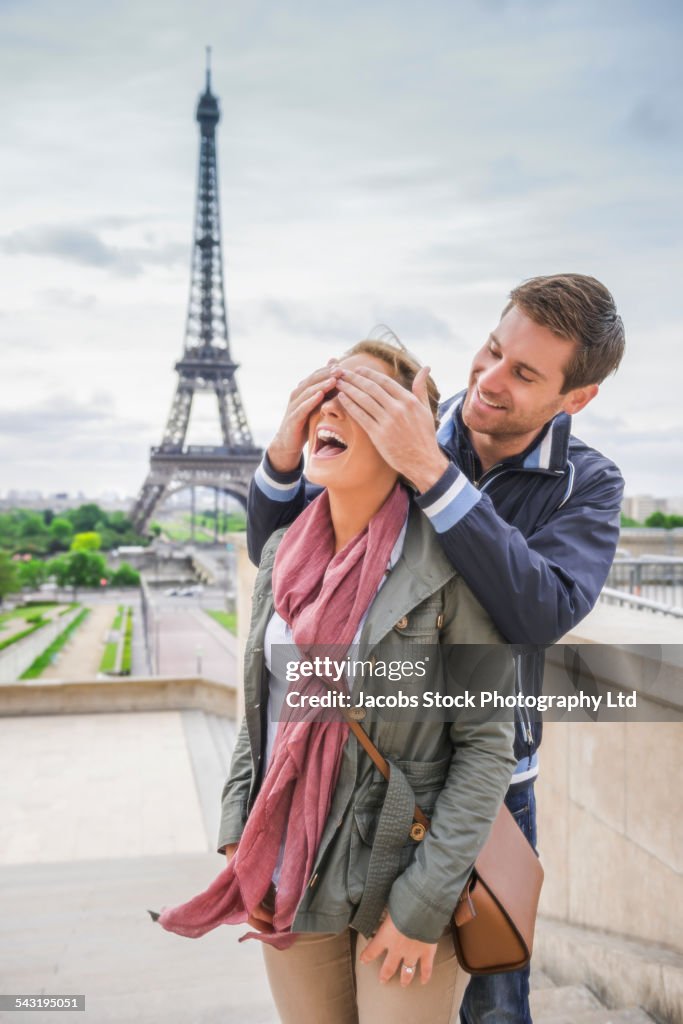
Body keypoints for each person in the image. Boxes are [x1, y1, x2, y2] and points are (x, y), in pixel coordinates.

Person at [247, 274, 626, 1024]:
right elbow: (285, 563)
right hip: (357, 767)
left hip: (484, 784)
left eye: (523, 374)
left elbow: (537, 611)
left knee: (492, 1004)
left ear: (573, 398)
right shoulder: (408, 414)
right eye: (490, 350)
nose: (487, 380)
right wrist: (282, 465)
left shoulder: (586, 483)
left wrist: (429, 470)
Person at [153, 340, 517, 1024]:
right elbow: (261, 714)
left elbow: (483, 746)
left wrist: (421, 905)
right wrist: (241, 840)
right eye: (326, 390)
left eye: (363, 397)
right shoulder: (281, 556)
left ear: (406, 434)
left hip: (399, 879)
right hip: (289, 863)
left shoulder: (452, 570)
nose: (331, 407)